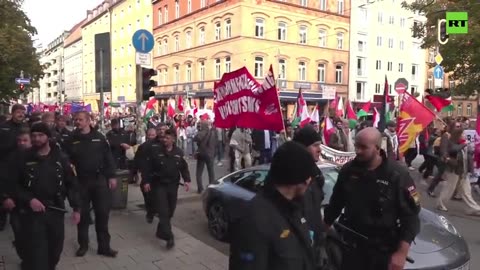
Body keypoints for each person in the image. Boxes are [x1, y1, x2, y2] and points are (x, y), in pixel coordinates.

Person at [324, 127, 420, 270]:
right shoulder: (348, 171)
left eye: (363, 147)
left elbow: (411, 216)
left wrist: (401, 252)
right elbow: (335, 204)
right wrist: (322, 229)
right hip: (352, 247)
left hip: (382, 249)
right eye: (357, 146)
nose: (358, 151)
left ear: (377, 148)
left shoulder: (397, 175)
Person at [229, 141, 317, 270]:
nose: (310, 180)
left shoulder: (296, 207)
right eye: (308, 175)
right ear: (297, 178)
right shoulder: (255, 220)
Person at [10, 123, 81, 270]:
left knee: (55, 251)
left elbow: (71, 184)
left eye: (40, 135)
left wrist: (76, 207)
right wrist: (29, 199)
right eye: (34, 135)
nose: (36, 138)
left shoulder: (60, 158)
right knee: (37, 254)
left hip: (55, 210)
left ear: (48, 137)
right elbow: (13, 185)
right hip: (32, 214)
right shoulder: (22, 158)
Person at [65, 111, 118, 257]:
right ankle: (83, 245)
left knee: (102, 214)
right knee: (82, 215)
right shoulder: (71, 138)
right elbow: (64, 158)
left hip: (99, 180)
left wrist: (112, 176)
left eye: (80, 119)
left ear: (88, 121)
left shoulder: (99, 137)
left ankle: (104, 247)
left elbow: (108, 158)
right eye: (75, 119)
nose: (77, 122)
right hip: (80, 181)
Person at [141, 128, 191, 249]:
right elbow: (148, 167)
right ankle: (169, 237)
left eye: (167, 138)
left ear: (173, 139)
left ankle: (160, 231)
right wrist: (146, 181)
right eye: (164, 138)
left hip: (173, 186)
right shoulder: (156, 151)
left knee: (170, 211)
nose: (164, 140)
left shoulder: (179, 152)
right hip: (159, 185)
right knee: (163, 211)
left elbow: (183, 167)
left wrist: (187, 180)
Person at [293, 125, 328, 269]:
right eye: (315, 145)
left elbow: (316, 208)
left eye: (320, 145)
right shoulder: (292, 176)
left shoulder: (316, 174)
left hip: (315, 245)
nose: (320, 149)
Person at [1, 128, 31, 263]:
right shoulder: (9, 158)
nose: (21, 143)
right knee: (19, 233)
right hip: (15, 203)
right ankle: (24, 258)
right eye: (19, 141)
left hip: (35, 203)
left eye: (25, 140)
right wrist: (5, 197)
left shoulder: (39, 156)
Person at [0, 104, 27, 231]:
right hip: (5, 164)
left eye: (23, 112)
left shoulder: (26, 127)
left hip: (21, 165)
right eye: (18, 112)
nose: (21, 114)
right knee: (4, 192)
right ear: (13, 113)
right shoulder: (3, 127)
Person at [134, 128, 157, 223]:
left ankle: (153, 210)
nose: (151, 137)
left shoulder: (160, 146)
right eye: (150, 135)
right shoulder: (143, 147)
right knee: (146, 193)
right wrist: (136, 172)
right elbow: (137, 160)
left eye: (153, 135)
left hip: (157, 175)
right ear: (147, 136)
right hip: (146, 174)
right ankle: (150, 211)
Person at [194, 120, 216, 193]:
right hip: (210, 155)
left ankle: (200, 188)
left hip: (201, 154)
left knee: (199, 172)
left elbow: (195, 139)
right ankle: (212, 188)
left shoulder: (200, 133)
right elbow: (215, 144)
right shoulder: (212, 133)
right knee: (211, 172)